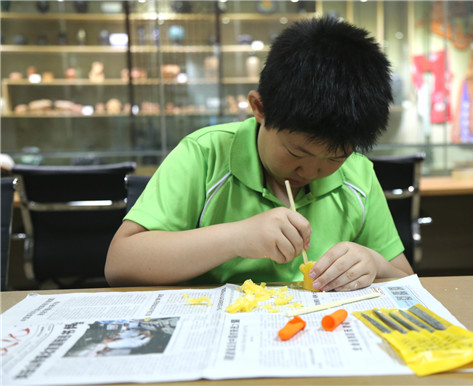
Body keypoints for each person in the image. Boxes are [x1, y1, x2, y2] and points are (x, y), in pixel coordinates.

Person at [105, 17, 413, 291]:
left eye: (335, 159)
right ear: (260, 108)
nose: (310, 172)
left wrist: (373, 262)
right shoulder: (204, 155)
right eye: (297, 153)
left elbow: (404, 279)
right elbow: (119, 265)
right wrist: (238, 237)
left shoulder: (357, 173)